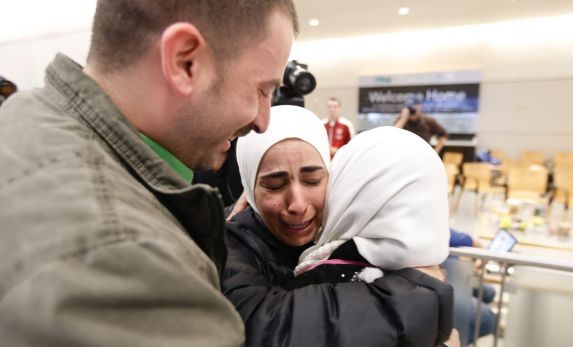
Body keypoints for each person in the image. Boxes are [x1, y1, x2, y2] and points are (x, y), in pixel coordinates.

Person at [0, 1, 298, 345]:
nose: (263, 120)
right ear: (184, 61)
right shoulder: (130, 265)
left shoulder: (28, 113)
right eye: (262, 90)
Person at [225, 105, 455, 347]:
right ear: (250, 189)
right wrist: (421, 293)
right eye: (274, 186)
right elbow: (264, 327)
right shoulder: (229, 249)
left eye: (313, 180)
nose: (298, 205)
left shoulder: (349, 232)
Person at [294, 126, 451, 286]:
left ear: (348, 189)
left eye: (312, 181)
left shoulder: (323, 279)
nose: (297, 205)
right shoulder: (431, 272)